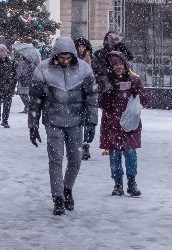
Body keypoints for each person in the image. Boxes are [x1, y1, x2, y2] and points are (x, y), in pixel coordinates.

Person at [28, 36, 98, 216]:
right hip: (53, 122)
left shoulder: (85, 70)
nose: (65, 61)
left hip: (76, 122)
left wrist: (91, 121)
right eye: (62, 58)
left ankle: (67, 188)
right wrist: (33, 125)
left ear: (73, 55)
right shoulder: (43, 70)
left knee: (76, 159)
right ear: (55, 55)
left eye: (68, 58)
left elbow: (91, 98)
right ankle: (58, 197)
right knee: (56, 160)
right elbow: (34, 100)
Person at [97, 53, 146, 197]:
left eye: (120, 63)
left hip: (130, 122)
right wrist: (108, 92)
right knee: (115, 153)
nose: (118, 67)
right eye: (114, 64)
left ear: (125, 64)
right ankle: (117, 183)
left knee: (130, 151)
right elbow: (101, 102)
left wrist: (135, 92)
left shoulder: (134, 80)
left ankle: (132, 182)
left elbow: (145, 99)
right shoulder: (105, 82)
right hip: (112, 122)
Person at [73, 37, 95, 159]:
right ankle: (78, 144)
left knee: (88, 121)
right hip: (75, 93)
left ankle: (85, 144)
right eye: (79, 46)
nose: (81, 49)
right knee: (76, 120)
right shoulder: (72, 60)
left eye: (83, 46)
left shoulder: (91, 59)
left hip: (88, 93)